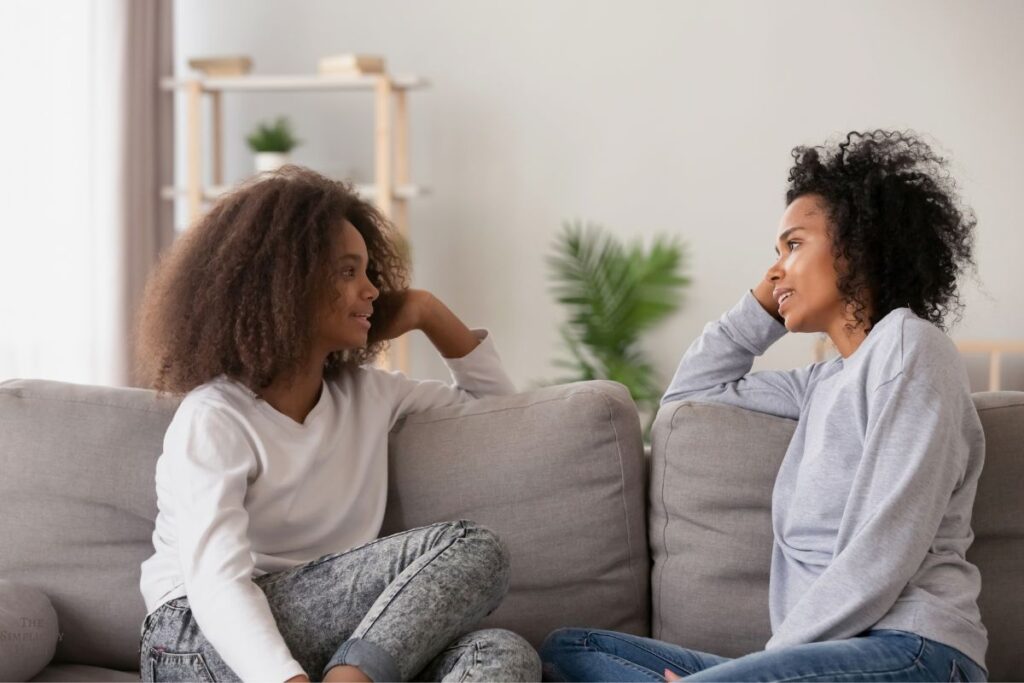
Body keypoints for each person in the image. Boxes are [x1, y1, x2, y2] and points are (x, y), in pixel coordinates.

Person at [540, 130, 988, 682]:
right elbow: (689, 397)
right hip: (813, 660)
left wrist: (763, 669)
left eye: (794, 245)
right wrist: (761, 308)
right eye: (775, 253)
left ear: (858, 247)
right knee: (572, 650)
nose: (776, 271)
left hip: (914, 651)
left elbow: (885, 548)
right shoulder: (820, 383)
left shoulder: (911, 347)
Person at [136, 165, 540, 682]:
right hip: (194, 640)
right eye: (348, 272)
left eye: (370, 272)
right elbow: (217, 583)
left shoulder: (371, 393)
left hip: (324, 639)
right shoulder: (213, 417)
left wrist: (427, 312)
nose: (372, 290)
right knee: (474, 548)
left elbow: (501, 415)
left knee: (500, 653)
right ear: (284, 284)